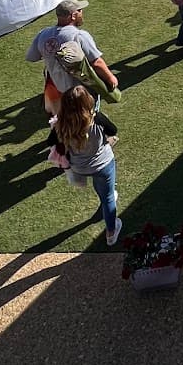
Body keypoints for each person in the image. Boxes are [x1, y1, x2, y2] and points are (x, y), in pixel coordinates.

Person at [50, 84, 122, 245]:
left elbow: (52, 142)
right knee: (108, 198)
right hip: (103, 164)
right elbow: (113, 130)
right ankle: (111, 233)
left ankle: (105, 197)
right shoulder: (97, 118)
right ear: (87, 102)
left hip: (79, 167)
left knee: (103, 190)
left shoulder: (60, 124)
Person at [25, 0, 119, 116]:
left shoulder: (43, 34)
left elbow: (32, 57)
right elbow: (96, 62)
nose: (82, 13)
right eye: (79, 10)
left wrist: (51, 53)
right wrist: (111, 78)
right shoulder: (79, 35)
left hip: (59, 90)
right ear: (73, 15)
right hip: (81, 91)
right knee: (89, 117)